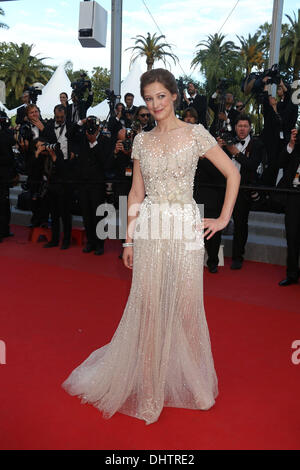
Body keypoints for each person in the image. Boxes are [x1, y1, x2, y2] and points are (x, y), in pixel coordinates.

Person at [62, 68, 240, 425]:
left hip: (186, 227)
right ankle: (150, 390)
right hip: (151, 229)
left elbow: (233, 173)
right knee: (149, 308)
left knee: (188, 308)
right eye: (148, 98)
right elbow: (137, 193)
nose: (155, 104)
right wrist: (128, 239)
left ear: (173, 96)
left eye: (161, 96)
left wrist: (222, 219)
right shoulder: (142, 140)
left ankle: (197, 384)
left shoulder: (195, 134)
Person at [219, 114, 264, 270]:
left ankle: (238, 257)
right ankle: (214, 256)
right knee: (217, 222)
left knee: (240, 225)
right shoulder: (228, 143)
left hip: (242, 190)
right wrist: (220, 148)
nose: (242, 129)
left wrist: (235, 152)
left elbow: (252, 165)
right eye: (240, 126)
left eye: (245, 126)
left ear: (250, 128)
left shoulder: (256, 145)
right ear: (236, 127)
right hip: (224, 188)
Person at [277, 129, 300, 286]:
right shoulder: (296, 147)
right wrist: (291, 143)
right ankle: (292, 274)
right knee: (291, 237)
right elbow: (280, 163)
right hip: (294, 196)